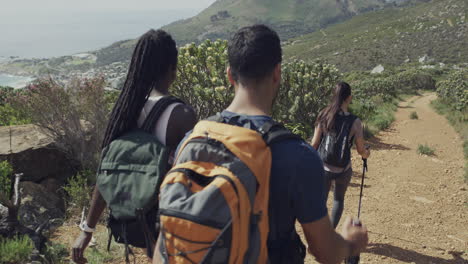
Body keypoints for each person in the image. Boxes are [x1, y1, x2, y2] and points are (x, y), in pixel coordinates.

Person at [161, 24, 367, 264]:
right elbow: (325, 252)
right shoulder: (298, 156)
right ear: (277, 73)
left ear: (229, 75)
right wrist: (351, 242)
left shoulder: (190, 140)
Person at [71, 29, 197, 264]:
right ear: (172, 67)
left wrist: (87, 230)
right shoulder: (181, 115)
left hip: (135, 222)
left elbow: (106, 172)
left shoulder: (125, 109)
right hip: (169, 227)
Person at [311, 82, 371, 229]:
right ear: (349, 97)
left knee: (321, 202)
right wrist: (366, 154)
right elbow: (360, 150)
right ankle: (329, 234)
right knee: (338, 200)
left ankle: (317, 234)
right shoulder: (355, 121)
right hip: (343, 168)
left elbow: (314, 144)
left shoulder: (324, 114)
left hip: (323, 166)